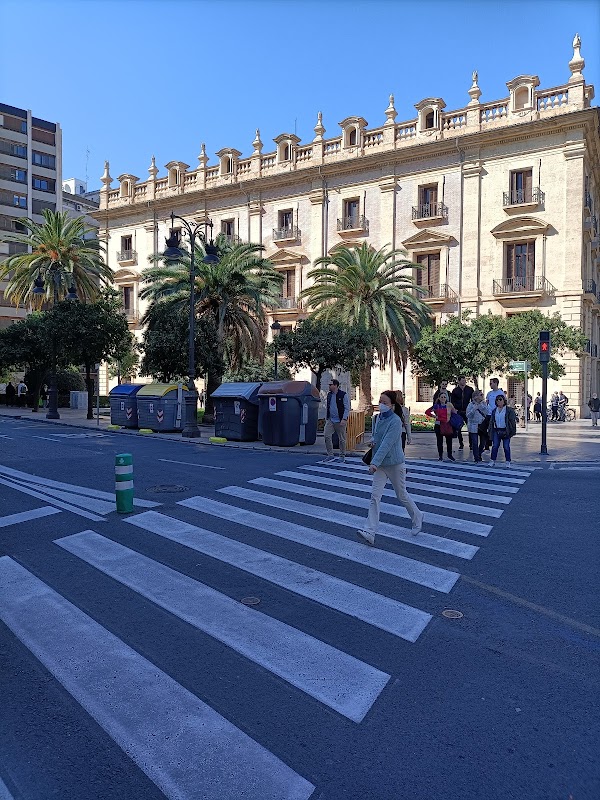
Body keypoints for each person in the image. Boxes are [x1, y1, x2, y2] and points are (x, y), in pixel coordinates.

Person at [357, 390, 423, 546]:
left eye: (385, 402)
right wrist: (372, 442)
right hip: (380, 465)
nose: (381, 404)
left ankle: (417, 516)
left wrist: (374, 463)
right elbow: (377, 437)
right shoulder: (376, 418)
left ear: (392, 405)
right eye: (380, 401)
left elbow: (387, 444)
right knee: (375, 496)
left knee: (401, 495)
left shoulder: (396, 421)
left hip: (394, 464)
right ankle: (370, 531)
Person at [324, 378, 350, 463]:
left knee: (342, 438)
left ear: (335, 385)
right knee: (326, 435)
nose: (329, 386)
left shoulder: (343, 395)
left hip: (340, 420)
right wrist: (327, 417)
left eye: (330, 385)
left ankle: (342, 456)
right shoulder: (329, 395)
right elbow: (329, 406)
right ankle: (330, 455)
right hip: (331, 419)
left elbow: (347, 408)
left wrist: (344, 418)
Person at [425, 391, 457, 462]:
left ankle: (450, 455)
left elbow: (454, 413)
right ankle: (440, 455)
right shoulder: (436, 406)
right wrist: (434, 416)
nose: (443, 398)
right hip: (439, 425)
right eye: (441, 397)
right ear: (439, 398)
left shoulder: (449, 405)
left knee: (449, 441)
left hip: (447, 424)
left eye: (444, 397)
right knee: (439, 441)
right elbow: (427, 411)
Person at [487, 394, 517, 468]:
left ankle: (508, 461)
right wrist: (490, 430)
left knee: (506, 446)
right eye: (497, 400)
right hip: (497, 430)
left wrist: (512, 431)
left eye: (500, 399)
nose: (499, 401)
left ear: (504, 401)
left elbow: (512, 421)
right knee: (495, 446)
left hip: (505, 430)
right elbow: (492, 421)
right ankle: (492, 460)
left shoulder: (508, 410)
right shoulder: (494, 411)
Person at [450, 377, 473, 450]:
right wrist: (454, 409)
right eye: (462, 380)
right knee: (459, 428)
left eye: (465, 380)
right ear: (459, 381)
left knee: (470, 427)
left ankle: (471, 444)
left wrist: (471, 409)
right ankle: (461, 443)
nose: (464, 382)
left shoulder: (469, 389)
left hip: (467, 411)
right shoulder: (455, 390)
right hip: (458, 411)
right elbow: (452, 401)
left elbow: (472, 400)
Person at [466, 390, 488, 463]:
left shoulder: (484, 404)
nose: (482, 396)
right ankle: (476, 458)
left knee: (483, 443)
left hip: (482, 425)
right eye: (481, 395)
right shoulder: (470, 404)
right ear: (475, 396)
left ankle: (479, 453)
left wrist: (481, 406)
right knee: (475, 442)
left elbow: (487, 412)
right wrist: (474, 409)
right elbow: (468, 415)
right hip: (473, 425)